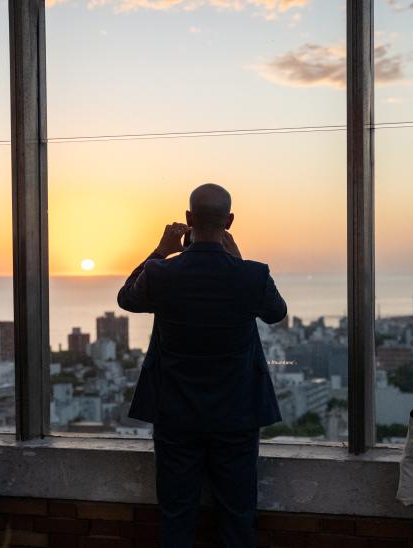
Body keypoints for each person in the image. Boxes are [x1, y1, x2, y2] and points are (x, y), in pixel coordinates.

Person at [117, 183, 286, 547]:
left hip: (175, 416)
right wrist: (238, 261)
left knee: (176, 517)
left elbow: (127, 298)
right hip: (237, 417)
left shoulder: (162, 273)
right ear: (230, 221)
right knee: (238, 517)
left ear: (188, 218)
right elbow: (276, 312)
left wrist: (160, 251)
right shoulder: (252, 275)